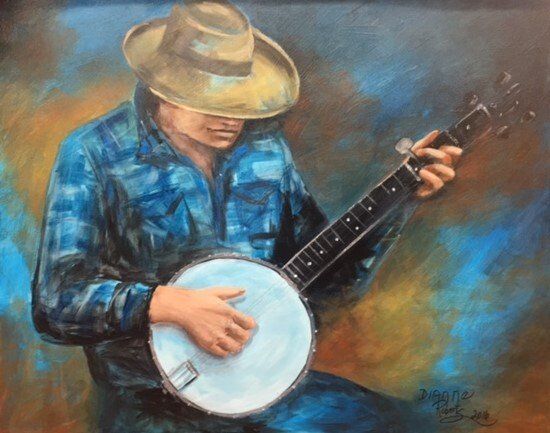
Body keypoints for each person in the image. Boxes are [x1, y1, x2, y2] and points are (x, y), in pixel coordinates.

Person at [32, 2, 461, 432]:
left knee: (407, 423)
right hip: (151, 401)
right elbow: (56, 302)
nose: (232, 118)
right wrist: (163, 304)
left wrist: (398, 203)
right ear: (164, 87)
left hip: (263, 392)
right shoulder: (93, 153)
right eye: (212, 100)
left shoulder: (267, 152)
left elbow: (327, 283)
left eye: (243, 101)